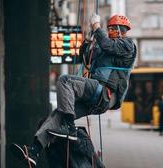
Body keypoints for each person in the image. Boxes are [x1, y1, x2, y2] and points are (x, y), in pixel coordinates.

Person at [11, 14, 137, 167]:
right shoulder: (105, 46)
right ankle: (34, 151)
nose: (109, 31)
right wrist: (87, 45)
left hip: (105, 92)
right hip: (97, 96)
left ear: (120, 30)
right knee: (57, 115)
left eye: (112, 29)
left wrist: (96, 26)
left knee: (65, 81)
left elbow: (106, 44)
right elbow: (87, 57)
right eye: (108, 29)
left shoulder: (128, 45)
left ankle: (69, 127)